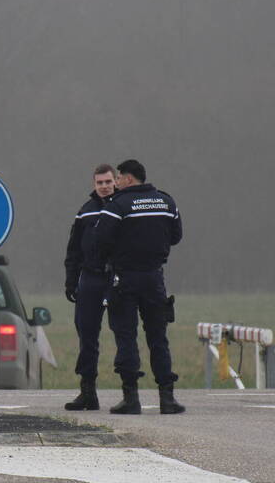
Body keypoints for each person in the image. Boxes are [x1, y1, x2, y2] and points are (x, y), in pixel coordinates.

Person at [95, 159, 184, 414]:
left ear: (129, 179)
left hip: (125, 279)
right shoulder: (167, 202)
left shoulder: (119, 205)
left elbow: (101, 240)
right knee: (158, 338)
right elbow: (176, 237)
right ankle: (167, 399)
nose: (116, 182)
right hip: (155, 279)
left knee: (126, 336)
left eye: (119, 177)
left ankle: (131, 398)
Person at [63, 164, 117, 410]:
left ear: (115, 181)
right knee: (87, 335)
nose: (104, 187)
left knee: (125, 333)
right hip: (90, 278)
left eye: (108, 182)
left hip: (118, 278)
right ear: (94, 184)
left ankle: (131, 392)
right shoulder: (85, 212)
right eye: (100, 183)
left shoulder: (124, 207)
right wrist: (71, 280)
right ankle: (88, 392)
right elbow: (73, 249)